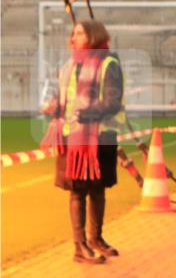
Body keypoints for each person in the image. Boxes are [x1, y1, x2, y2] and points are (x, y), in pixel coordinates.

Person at [41, 20, 124, 264]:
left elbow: (112, 102)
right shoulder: (68, 66)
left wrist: (85, 113)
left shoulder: (109, 63)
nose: (74, 36)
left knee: (97, 190)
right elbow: (63, 100)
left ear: (93, 37)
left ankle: (95, 238)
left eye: (80, 33)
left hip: (99, 137)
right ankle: (80, 246)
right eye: (74, 33)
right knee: (77, 192)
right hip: (71, 138)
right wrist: (54, 107)